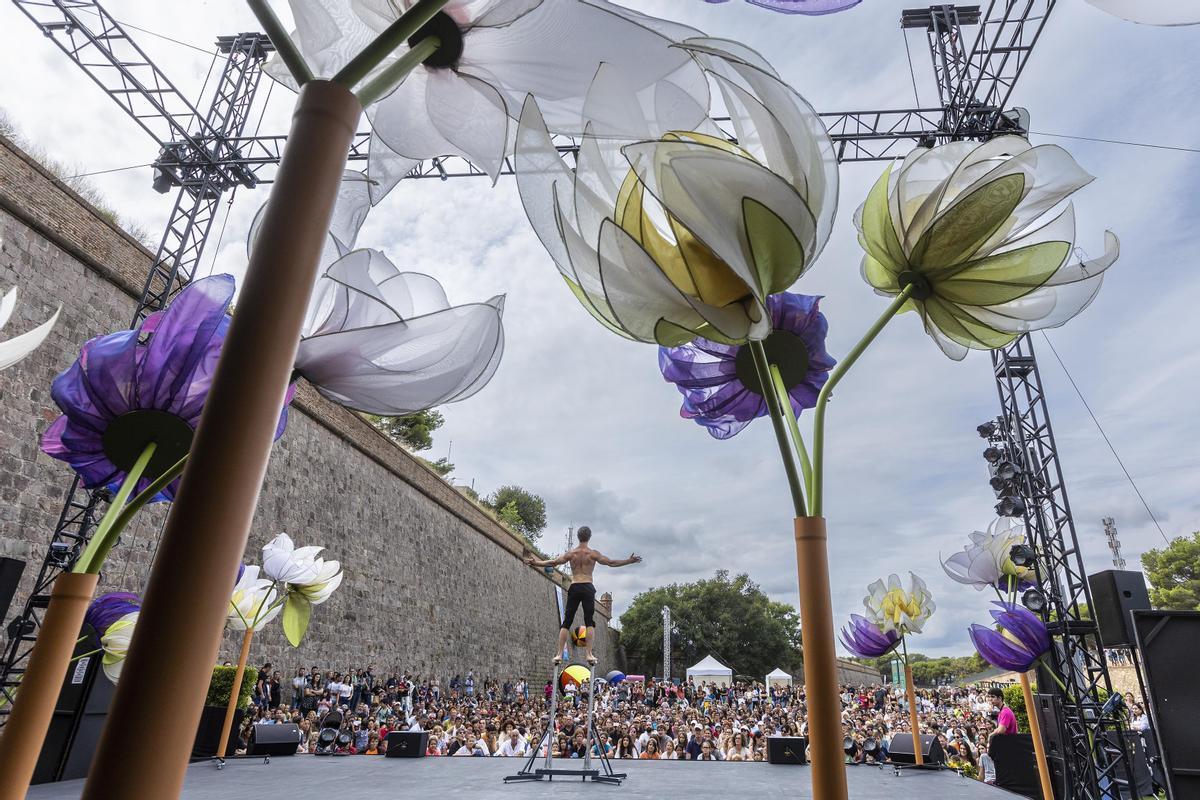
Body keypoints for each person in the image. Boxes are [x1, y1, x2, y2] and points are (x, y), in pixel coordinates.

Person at [524, 525, 641, 665]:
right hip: (587, 586)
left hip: (574, 586)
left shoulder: (571, 554)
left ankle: (559, 654)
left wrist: (536, 563)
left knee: (567, 622)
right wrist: (628, 561)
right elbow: (611, 563)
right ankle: (589, 654)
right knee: (589, 622)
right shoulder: (593, 554)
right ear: (589, 537)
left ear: (578, 537)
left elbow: (553, 562)